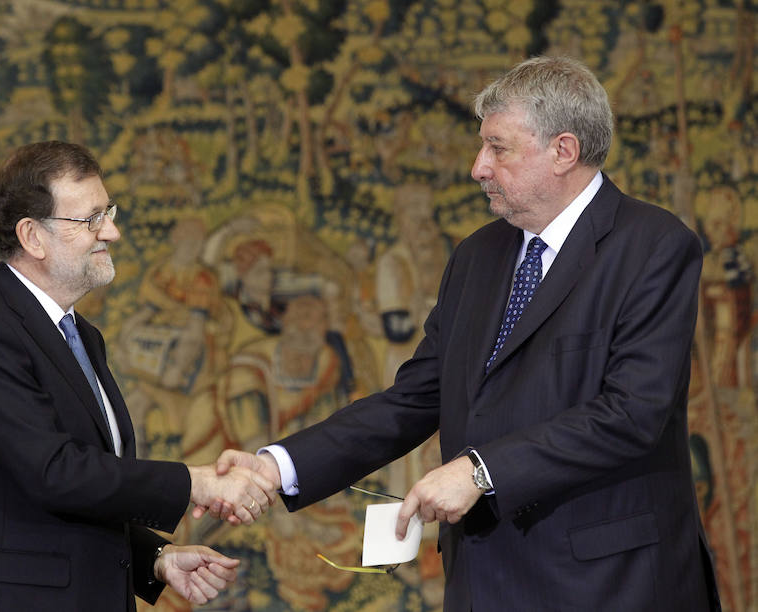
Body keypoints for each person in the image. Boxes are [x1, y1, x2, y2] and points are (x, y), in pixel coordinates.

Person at [209, 57, 722, 611]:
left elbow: (631, 413)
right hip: (483, 581)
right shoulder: (477, 254)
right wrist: (277, 465)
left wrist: (482, 472)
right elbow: (414, 399)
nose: (478, 167)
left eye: (498, 148)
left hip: (608, 586)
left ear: (563, 151)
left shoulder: (654, 247)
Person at [0, 141, 276, 612]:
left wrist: (156, 558)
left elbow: (72, 494)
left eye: (108, 211)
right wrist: (198, 482)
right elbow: (53, 472)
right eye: (91, 219)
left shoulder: (82, 336)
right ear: (32, 236)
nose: (112, 231)